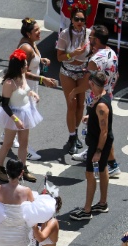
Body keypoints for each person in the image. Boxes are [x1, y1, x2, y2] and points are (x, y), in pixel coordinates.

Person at [69, 25, 120, 176]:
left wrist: (74, 91)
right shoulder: (112, 53)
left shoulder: (95, 60)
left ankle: (112, 164)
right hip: (107, 95)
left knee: (102, 132)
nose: (89, 40)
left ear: (96, 40)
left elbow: (86, 83)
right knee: (95, 130)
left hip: (96, 100)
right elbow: (116, 76)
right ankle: (89, 151)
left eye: (90, 38)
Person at [0, 49, 41, 184]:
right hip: (13, 115)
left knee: (24, 143)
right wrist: (16, 120)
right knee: (7, 143)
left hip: (25, 112)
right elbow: (5, 105)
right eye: (25, 64)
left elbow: (25, 90)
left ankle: (23, 168)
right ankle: (0, 168)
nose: (27, 66)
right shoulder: (9, 83)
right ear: (19, 67)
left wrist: (32, 94)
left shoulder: (22, 75)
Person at [70, 72, 112, 221]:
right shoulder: (102, 97)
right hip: (101, 143)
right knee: (102, 169)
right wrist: (91, 116)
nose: (89, 87)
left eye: (90, 84)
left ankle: (87, 210)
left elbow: (104, 131)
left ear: (93, 84)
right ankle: (102, 203)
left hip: (98, 144)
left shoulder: (101, 105)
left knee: (90, 174)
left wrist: (98, 152)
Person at [17, 18, 57, 161]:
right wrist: (43, 79)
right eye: (36, 30)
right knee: (26, 121)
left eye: (39, 29)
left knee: (20, 118)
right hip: (25, 88)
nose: (39, 32)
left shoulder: (32, 44)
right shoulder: (26, 48)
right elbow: (22, 72)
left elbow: (34, 59)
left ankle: (9, 135)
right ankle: (25, 149)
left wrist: (41, 60)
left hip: (31, 87)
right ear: (28, 34)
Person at [56, 6, 90, 155]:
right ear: (71, 20)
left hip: (83, 72)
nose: (79, 22)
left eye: (82, 19)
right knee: (72, 104)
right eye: (76, 19)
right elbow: (59, 57)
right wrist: (72, 55)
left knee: (81, 106)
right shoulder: (64, 34)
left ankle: (76, 133)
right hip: (67, 72)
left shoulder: (89, 33)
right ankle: (71, 137)